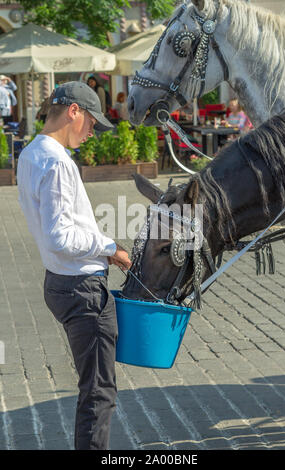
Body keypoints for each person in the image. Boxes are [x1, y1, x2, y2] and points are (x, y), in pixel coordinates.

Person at [17, 81, 132, 450]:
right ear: (73, 112)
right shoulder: (57, 161)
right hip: (81, 289)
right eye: (92, 122)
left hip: (61, 283)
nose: (93, 131)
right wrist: (110, 247)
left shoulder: (31, 153)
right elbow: (61, 238)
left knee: (94, 386)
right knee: (98, 392)